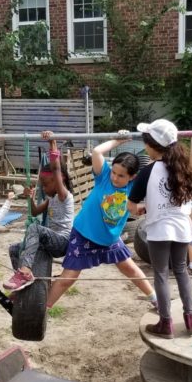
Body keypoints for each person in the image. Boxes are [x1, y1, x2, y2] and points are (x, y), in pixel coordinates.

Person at [45, 132, 155, 310]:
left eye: (121, 176)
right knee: (69, 277)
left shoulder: (134, 188)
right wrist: (118, 141)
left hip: (110, 240)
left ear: (132, 177)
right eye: (114, 172)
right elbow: (96, 152)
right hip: (83, 235)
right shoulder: (103, 176)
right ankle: (43, 309)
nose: (115, 178)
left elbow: (154, 168)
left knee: (130, 269)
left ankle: (155, 298)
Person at [128, 119, 192, 337]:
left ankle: (166, 322)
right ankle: (191, 319)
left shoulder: (148, 171)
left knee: (160, 273)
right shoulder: (184, 168)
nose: (145, 147)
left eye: (146, 143)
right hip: (182, 227)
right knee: (181, 270)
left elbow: (131, 206)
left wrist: (143, 209)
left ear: (152, 145)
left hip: (160, 229)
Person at [3, 130, 74, 292]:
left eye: (46, 184)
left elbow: (56, 169)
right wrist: (30, 198)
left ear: (59, 180)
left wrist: (52, 143)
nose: (44, 187)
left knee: (34, 228)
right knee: (14, 249)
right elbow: (34, 213)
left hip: (63, 242)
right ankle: (23, 283)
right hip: (50, 240)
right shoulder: (51, 200)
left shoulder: (65, 197)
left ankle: (25, 272)